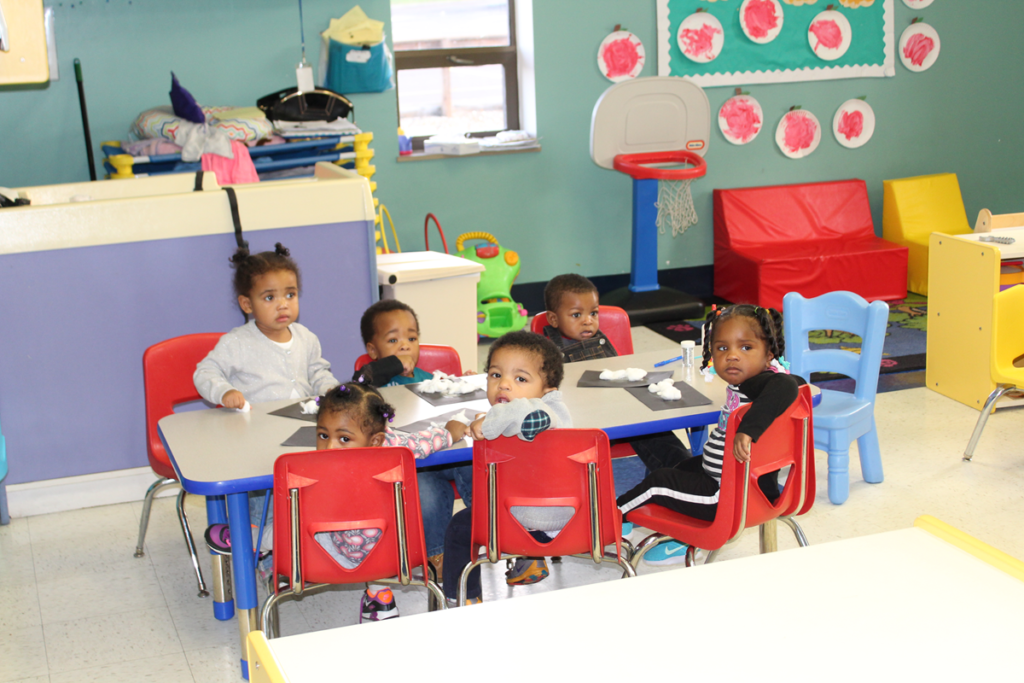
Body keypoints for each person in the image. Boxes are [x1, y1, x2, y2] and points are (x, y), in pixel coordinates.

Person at [616, 304, 804, 559]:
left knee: (659, 482)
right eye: (722, 348)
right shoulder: (752, 382)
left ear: (768, 354)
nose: (732, 356)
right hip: (735, 483)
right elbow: (795, 385)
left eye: (746, 348)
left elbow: (788, 385)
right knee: (679, 469)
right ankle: (682, 537)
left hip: (725, 497)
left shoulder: (766, 383)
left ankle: (610, 520)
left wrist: (747, 430)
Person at [194, 244, 339, 565]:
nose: (283, 304)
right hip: (257, 441)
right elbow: (205, 372)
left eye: (290, 294)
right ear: (247, 304)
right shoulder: (237, 342)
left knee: (311, 490)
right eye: (270, 297)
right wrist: (224, 391)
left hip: (303, 434)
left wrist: (331, 390)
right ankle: (264, 551)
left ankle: (305, 540)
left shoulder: (305, 337)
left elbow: (318, 371)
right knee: (265, 501)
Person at [542, 274, 694, 563]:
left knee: (664, 441)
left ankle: (680, 495)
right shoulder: (543, 351)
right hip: (580, 430)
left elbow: (623, 371)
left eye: (593, 313)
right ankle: (607, 515)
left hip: (623, 418)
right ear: (553, 319)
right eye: (576, 315)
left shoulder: (600, 339)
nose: (588, 322)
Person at [312, 381, 469, 622]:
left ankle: (379, 595)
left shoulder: (312, 466)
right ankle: (381, 593)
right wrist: (449, 432)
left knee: (282, 528)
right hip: (398, 549)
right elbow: (422, 443)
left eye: (343, 438)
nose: (330, 446)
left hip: (338, 552)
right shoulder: (392, 446)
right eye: (324, 435)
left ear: (375, 440)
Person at [442, 331, 571, 605]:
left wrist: (487, 423)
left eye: (520, 378)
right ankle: (529, 559)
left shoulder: (546, 412)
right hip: (548, 513)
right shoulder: (529, 411)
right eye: (495, 375)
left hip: (539, 520)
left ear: (548, 390)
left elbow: (530, 416)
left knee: (460, 528)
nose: (503, 385)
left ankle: (463, 600)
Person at [351, 299, 472, 579]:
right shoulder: (370, 386)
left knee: (473, 465)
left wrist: (463, 382)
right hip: (413, 464)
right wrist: (391, 365)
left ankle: (491, 527)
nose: (405, 346)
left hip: (445, 451)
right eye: (393, 340)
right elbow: (356, 385)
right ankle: (437, 556)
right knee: (426, 492)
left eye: (412, 338)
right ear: (373, 350)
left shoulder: (427, 378)